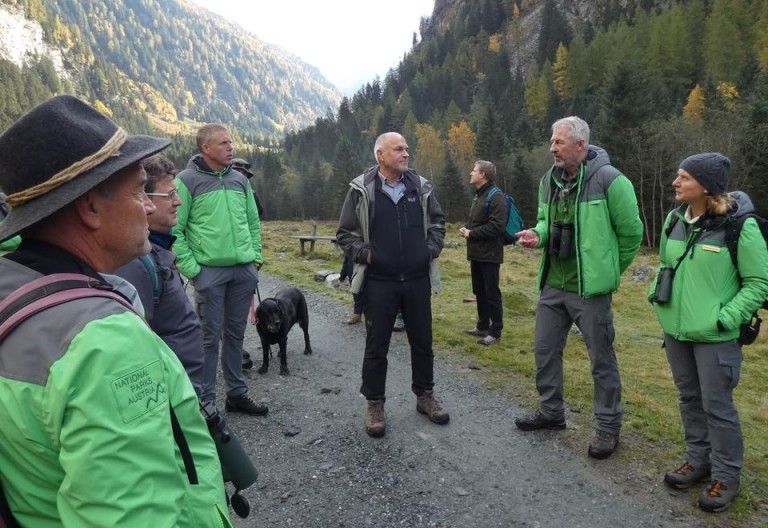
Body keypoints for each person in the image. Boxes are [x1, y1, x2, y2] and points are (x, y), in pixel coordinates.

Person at [0, 95, 231, 527]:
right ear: (89, 208)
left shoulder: (12, 284)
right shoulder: (105, 342)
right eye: (140, 189)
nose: (150, 205)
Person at [514, 116, 643, 460]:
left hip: (591, 292)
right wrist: (537, 234)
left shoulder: (611, 181)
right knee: (544, 350)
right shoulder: (549, 181)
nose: (551, 147)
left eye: (558, 142)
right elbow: (545, 221)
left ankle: (607, 426)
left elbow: (632, 235)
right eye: (552, 141)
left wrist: (608, 272)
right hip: (553, 285)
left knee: (601, 361)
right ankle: (551, 413)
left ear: (581, 146)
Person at [649, 153, 768, 513]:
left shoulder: (737, 226)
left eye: (683, 177)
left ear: (706, 186)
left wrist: (725, 318)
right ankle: (698, 461)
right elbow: (667, 264)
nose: (675, 182)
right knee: (688, 398)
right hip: (676, 331)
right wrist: (656, 294)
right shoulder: (674, 219)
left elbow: (758, 282)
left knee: (717, 406)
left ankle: (726, 476)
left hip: (716, 337)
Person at [337, 131, 448, 438]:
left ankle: (425, 395)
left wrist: (430, 249)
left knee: (423, 341)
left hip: (416, 280)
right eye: (398, 149)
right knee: (377, 345)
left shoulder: (420, 186)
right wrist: (365, 254)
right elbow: (345, 233)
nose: (405, 153)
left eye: (407, 149)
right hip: (380, 282)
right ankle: (375, 403)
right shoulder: (362, 189)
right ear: (380, 155)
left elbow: (438, 223)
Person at [173, 124, 266, 416]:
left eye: (231, 142)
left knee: (236, 335)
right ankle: (206, 400)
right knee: (209, 338)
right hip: (209, 274)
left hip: (243, 272)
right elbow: (175, 230)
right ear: (206, 148)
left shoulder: (240, 180)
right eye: (224, 143)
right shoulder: (186, 181)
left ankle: (236, 394)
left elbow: (252, 221)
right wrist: (194, 270)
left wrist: (256, 258)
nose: (231, 147)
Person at [115, 154, 204, 395]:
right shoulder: (135, 263)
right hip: (171, 397)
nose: (178, 202)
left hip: (185, 391)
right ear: (144, 199)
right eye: (170, 195)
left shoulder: (158, 251)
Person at [458, 160, 508, 346]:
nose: (471, 173)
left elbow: (497, 226)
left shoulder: (496, 197)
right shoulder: (479, 195)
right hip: (477, 253)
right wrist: (466, 229)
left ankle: (495, 331)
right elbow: (478, 221)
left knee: (491, 292)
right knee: (479, 290)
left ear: (483, 175)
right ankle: (482, 326)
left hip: (490, 254)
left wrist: (472, 233)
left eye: (474, 170)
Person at [340, 248, 364, 324]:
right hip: (352, 272)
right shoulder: (350, 245)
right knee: (356, 294)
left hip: (365, 270)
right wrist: (342, 276)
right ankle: (357, 315)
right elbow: (346, 261)